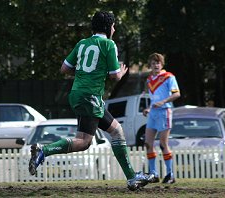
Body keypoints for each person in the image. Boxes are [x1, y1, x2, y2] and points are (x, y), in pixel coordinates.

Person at [29, 11, 152, 190]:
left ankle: (132, 177)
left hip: (78, 94)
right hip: (91, 96)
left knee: (115, 131)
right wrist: (122, 73)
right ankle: (44, 151)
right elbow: (114, 76)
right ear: (107, 27)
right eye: (113, 26)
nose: (114, 29)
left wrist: (84, 73)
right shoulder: (109, 44)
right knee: (85, 142)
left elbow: (64, 68)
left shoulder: (82, 43)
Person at [143, 53, 180, 184]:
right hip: (153, 113)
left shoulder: (169, 77)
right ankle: (154, 174)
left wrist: (163, 102)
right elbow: (153, 98)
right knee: (148, 143)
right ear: (150, 65)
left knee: (163, 143)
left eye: (158, 62)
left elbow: (177, 94)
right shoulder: (149, 80)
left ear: (162, 64)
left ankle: (170, 174)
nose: (156, 65)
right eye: (153, 63)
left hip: (165, 111)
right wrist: (148, 108)